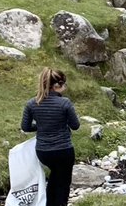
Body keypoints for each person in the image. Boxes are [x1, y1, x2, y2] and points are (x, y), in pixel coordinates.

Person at [20, 68, 80, 206]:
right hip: (63, 150)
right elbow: (75, 125)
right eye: (64, 84)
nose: (65, 87)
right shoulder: (65, 103)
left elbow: (25, 127)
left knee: (54, 178)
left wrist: (42, 126)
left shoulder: (31, 103)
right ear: (57, 85)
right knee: (63, 185)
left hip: (43, 152)